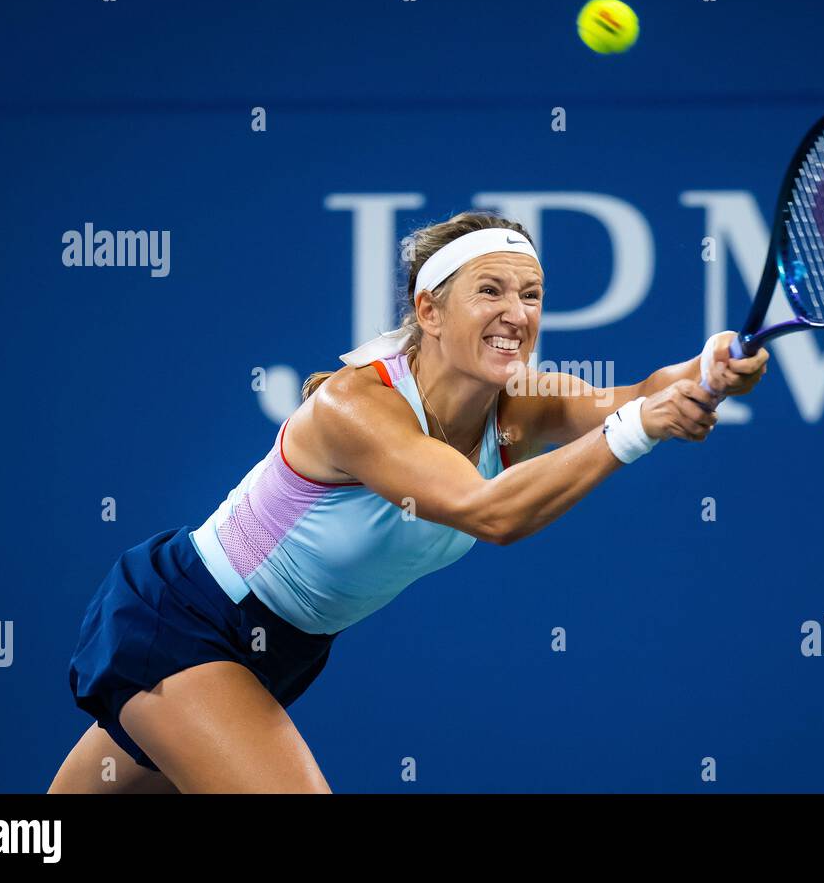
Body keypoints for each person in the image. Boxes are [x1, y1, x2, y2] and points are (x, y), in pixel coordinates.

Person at [48, 210, 768, 793]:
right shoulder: (356, 407)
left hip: (280, 651)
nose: (516, 313)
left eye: (532, 294)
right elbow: (495, 513)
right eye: (490, 289)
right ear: (429, 308)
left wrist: (707, 371)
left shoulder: (520, 405)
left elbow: (631, 396)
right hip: (186, 623)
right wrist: (644, 427)